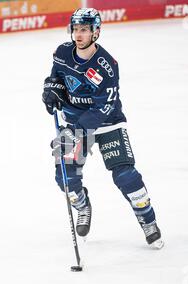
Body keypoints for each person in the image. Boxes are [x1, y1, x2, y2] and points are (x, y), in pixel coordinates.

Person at [42, 8, 164, 249]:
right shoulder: (62, 52)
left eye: (84, 30)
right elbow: (55, 77)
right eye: (75, 29)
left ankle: (148, 221)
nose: (78, 34)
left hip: (108, 124)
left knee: (126, 176)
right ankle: (83, 206)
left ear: (95, 32)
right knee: (65, 177)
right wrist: (50, 91)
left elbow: (103, 108)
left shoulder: (106, 65)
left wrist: (75, 131)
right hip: (73, 122)